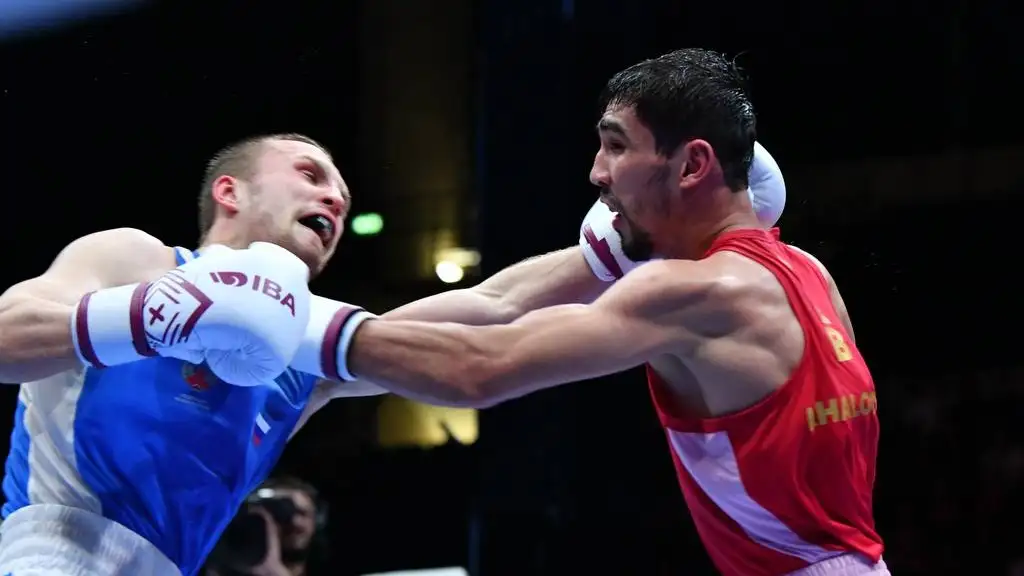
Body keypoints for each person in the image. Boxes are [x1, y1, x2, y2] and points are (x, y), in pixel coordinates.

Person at [311, 48, 887, 576]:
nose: (597, 172)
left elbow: (479, 366)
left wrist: (306, 326)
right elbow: (499, 303)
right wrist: (323, 383)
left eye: (617, 145)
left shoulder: (694, 292)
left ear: (691, 167)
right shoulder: (807, 273)